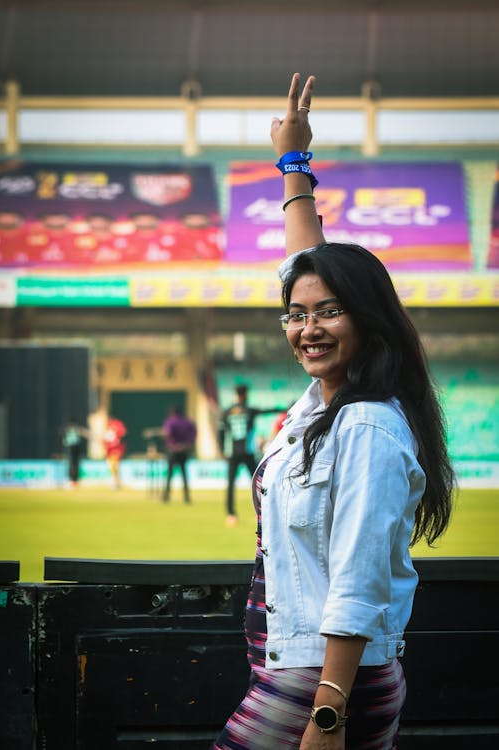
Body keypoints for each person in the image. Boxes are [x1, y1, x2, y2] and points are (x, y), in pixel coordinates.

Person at [212, 73, 455, 750]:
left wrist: (328, 714)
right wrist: (293, 164)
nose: (307, 328)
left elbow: (358, 578)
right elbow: (306, 261)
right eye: (295, 315)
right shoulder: (322, 404)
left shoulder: (368, 425)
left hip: (320, 684)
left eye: (329, 312)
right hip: (294, 670)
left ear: (366, 319)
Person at [220, 384, 283, 527]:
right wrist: (284, 409)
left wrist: (221, 449)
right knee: (258, 483)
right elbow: (266, 411)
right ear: (245, 394)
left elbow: (222, 430)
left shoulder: (228, 411)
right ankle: (264, 511)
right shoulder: (249, 410)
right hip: (247, 452)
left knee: (230, 484)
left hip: (232, 453)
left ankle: (231, 513)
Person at [162, 405, 197, 504]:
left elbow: (167, 433)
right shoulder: (187, 422)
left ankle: (166, 497)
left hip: (173, 450)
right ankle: (186, 497)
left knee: (169, 475)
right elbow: (194, 433)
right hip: (184, 450)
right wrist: (189, 443)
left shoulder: (170, 421)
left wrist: (171, 443)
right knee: (184, 475)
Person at [60, 417, 89, 487]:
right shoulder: (76, 429)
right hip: (73, 448)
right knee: (73, 465)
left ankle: (73, 481)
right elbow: (86, 434)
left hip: (73, 448)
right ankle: (72, 481)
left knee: (73, 465)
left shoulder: (67, 429)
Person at [103, 415, 127, 489]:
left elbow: (123, 433)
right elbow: (106, 441)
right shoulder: (108, 428)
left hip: (115, 450)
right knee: (112, 467)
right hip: (110, 451)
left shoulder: (117, 426)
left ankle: (116, 483)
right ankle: (115, 482)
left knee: (114, 466)